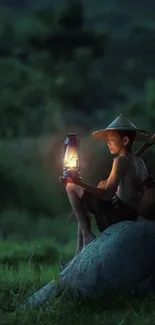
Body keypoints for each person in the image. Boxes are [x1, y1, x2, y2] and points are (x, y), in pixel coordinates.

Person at [61, 114, 151, 269]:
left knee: (70, 187)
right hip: (130, 213)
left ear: (125, 141)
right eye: (108, 140)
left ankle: (88, 236)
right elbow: (126, 190)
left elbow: (108, 194)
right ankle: (78, 254)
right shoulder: (140, 162)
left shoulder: (120, 161)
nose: (108, 143)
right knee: (82, 212)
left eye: (112, 140)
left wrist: (79, 183)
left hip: (115, 215)